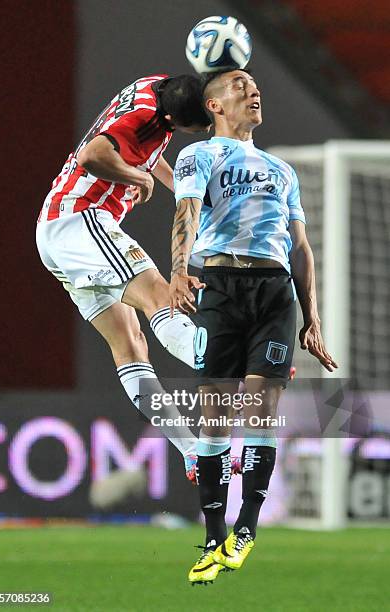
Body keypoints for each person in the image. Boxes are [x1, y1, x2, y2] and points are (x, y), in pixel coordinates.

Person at [169, 68, 337, 584]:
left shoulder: (281, 170)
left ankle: (246, 529)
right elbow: (188, 211)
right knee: (216, 418)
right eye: (240, 85)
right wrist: (179, 271)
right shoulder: (198, 155)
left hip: (273, 292)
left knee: (263, 409)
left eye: (254, 85)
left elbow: (301, 246)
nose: (253, 89)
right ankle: (214, 537)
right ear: (214, 105)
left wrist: (313, 318)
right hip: (218, 288)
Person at [36, 73, 214, 482]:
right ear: (173, 116)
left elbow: (145, 150)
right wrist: (138, 178)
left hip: (57, 232)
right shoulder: (148, 116)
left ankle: (191, 451)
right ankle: (231, 363)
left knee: (131, 345)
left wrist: (174, 185)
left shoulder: (157, 86)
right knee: (161, 298)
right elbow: (94, 154)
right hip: (80, 218)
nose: (198, 130)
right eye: (194, 124)